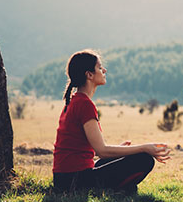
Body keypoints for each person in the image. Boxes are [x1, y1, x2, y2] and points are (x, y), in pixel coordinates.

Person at [53, 49, 171, 193]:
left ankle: (122, 187)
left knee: (126, 157)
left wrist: (122, 150)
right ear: (89, 75)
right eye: (99, 67)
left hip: (64, 178)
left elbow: (81, 150)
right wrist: (145, 147)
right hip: (75, 181)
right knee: (144, 159)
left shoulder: (74, 101)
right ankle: (119, 188)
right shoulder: (84, 104)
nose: (104, 70)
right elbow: (102, 151)